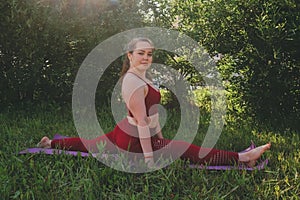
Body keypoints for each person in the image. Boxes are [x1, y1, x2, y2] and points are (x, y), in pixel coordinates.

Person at [38, 37, 271, 168]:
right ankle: (243, 159)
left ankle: (50, 144)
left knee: (90, 143)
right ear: (130, 55)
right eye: (141, 53)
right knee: (184, 148)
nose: (146, 58)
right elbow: (142, 121)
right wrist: (149, 158)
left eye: (149, 54)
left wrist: (159, 137)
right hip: (134, 140)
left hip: (124, 131)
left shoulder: (144, 77)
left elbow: (154, 112)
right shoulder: (132, 82)